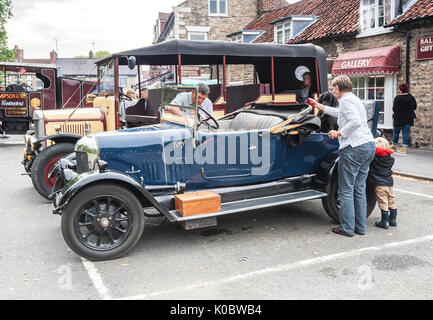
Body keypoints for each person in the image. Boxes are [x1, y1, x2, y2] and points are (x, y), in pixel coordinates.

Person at [307, 75, 375, 237]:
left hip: (353, 148)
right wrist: (319, 105)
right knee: (359, 188)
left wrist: (339, 133)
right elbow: (339, 113)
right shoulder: (354, 99)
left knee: (345, 190)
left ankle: (347, 228)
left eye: (333, 87)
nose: (332, 90)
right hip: (368, 146)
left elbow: (355, 121)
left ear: (338, 88)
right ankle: (360, 227)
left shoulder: (345, 100)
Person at [369, 137, 398, 229]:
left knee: (383, 201)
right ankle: (393, 220)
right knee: (391, 200)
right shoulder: (389, 158)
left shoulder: (375, 157)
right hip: (389, 183)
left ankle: (384, 222)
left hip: (380, 183)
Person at [391, 83, 417, 153]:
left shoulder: (397, 98)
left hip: (398, 118)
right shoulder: (411, 97)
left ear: (400, 90)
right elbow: (415, 107)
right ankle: (404, 148)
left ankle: (394, 146)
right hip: (408, 118)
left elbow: (394, 109)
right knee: (406, 133)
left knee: (396, 132)